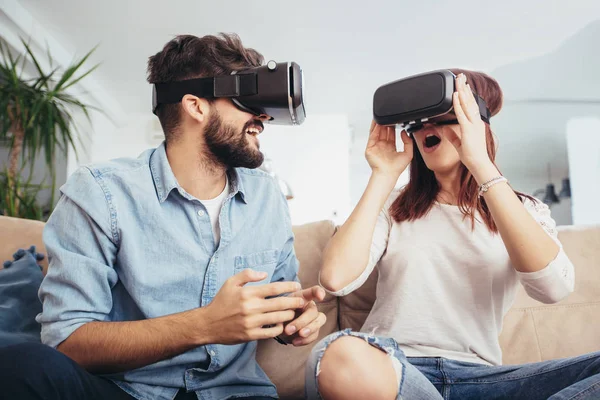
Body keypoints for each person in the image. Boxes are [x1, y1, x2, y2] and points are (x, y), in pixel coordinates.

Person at [0, 33, 326, 400]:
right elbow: (67, 342)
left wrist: (293, 322)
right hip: (128, 391)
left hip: (235, 394)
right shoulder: (101, 192)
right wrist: (203, 325)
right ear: (196, 106)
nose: (262, 117)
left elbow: (280, 305)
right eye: (247, 101)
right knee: (23, 367)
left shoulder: (268, 197)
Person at [305, 70, 600, 400]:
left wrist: (480, 162)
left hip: (483, 380)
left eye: (445, 115)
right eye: (418, 121)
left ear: (477, 123)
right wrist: (383, 174)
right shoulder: (393, 207)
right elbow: (335, 278)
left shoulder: (522, 209)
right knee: (336, 355)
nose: (427, 127)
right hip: (397, 372)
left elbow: (553, 288)